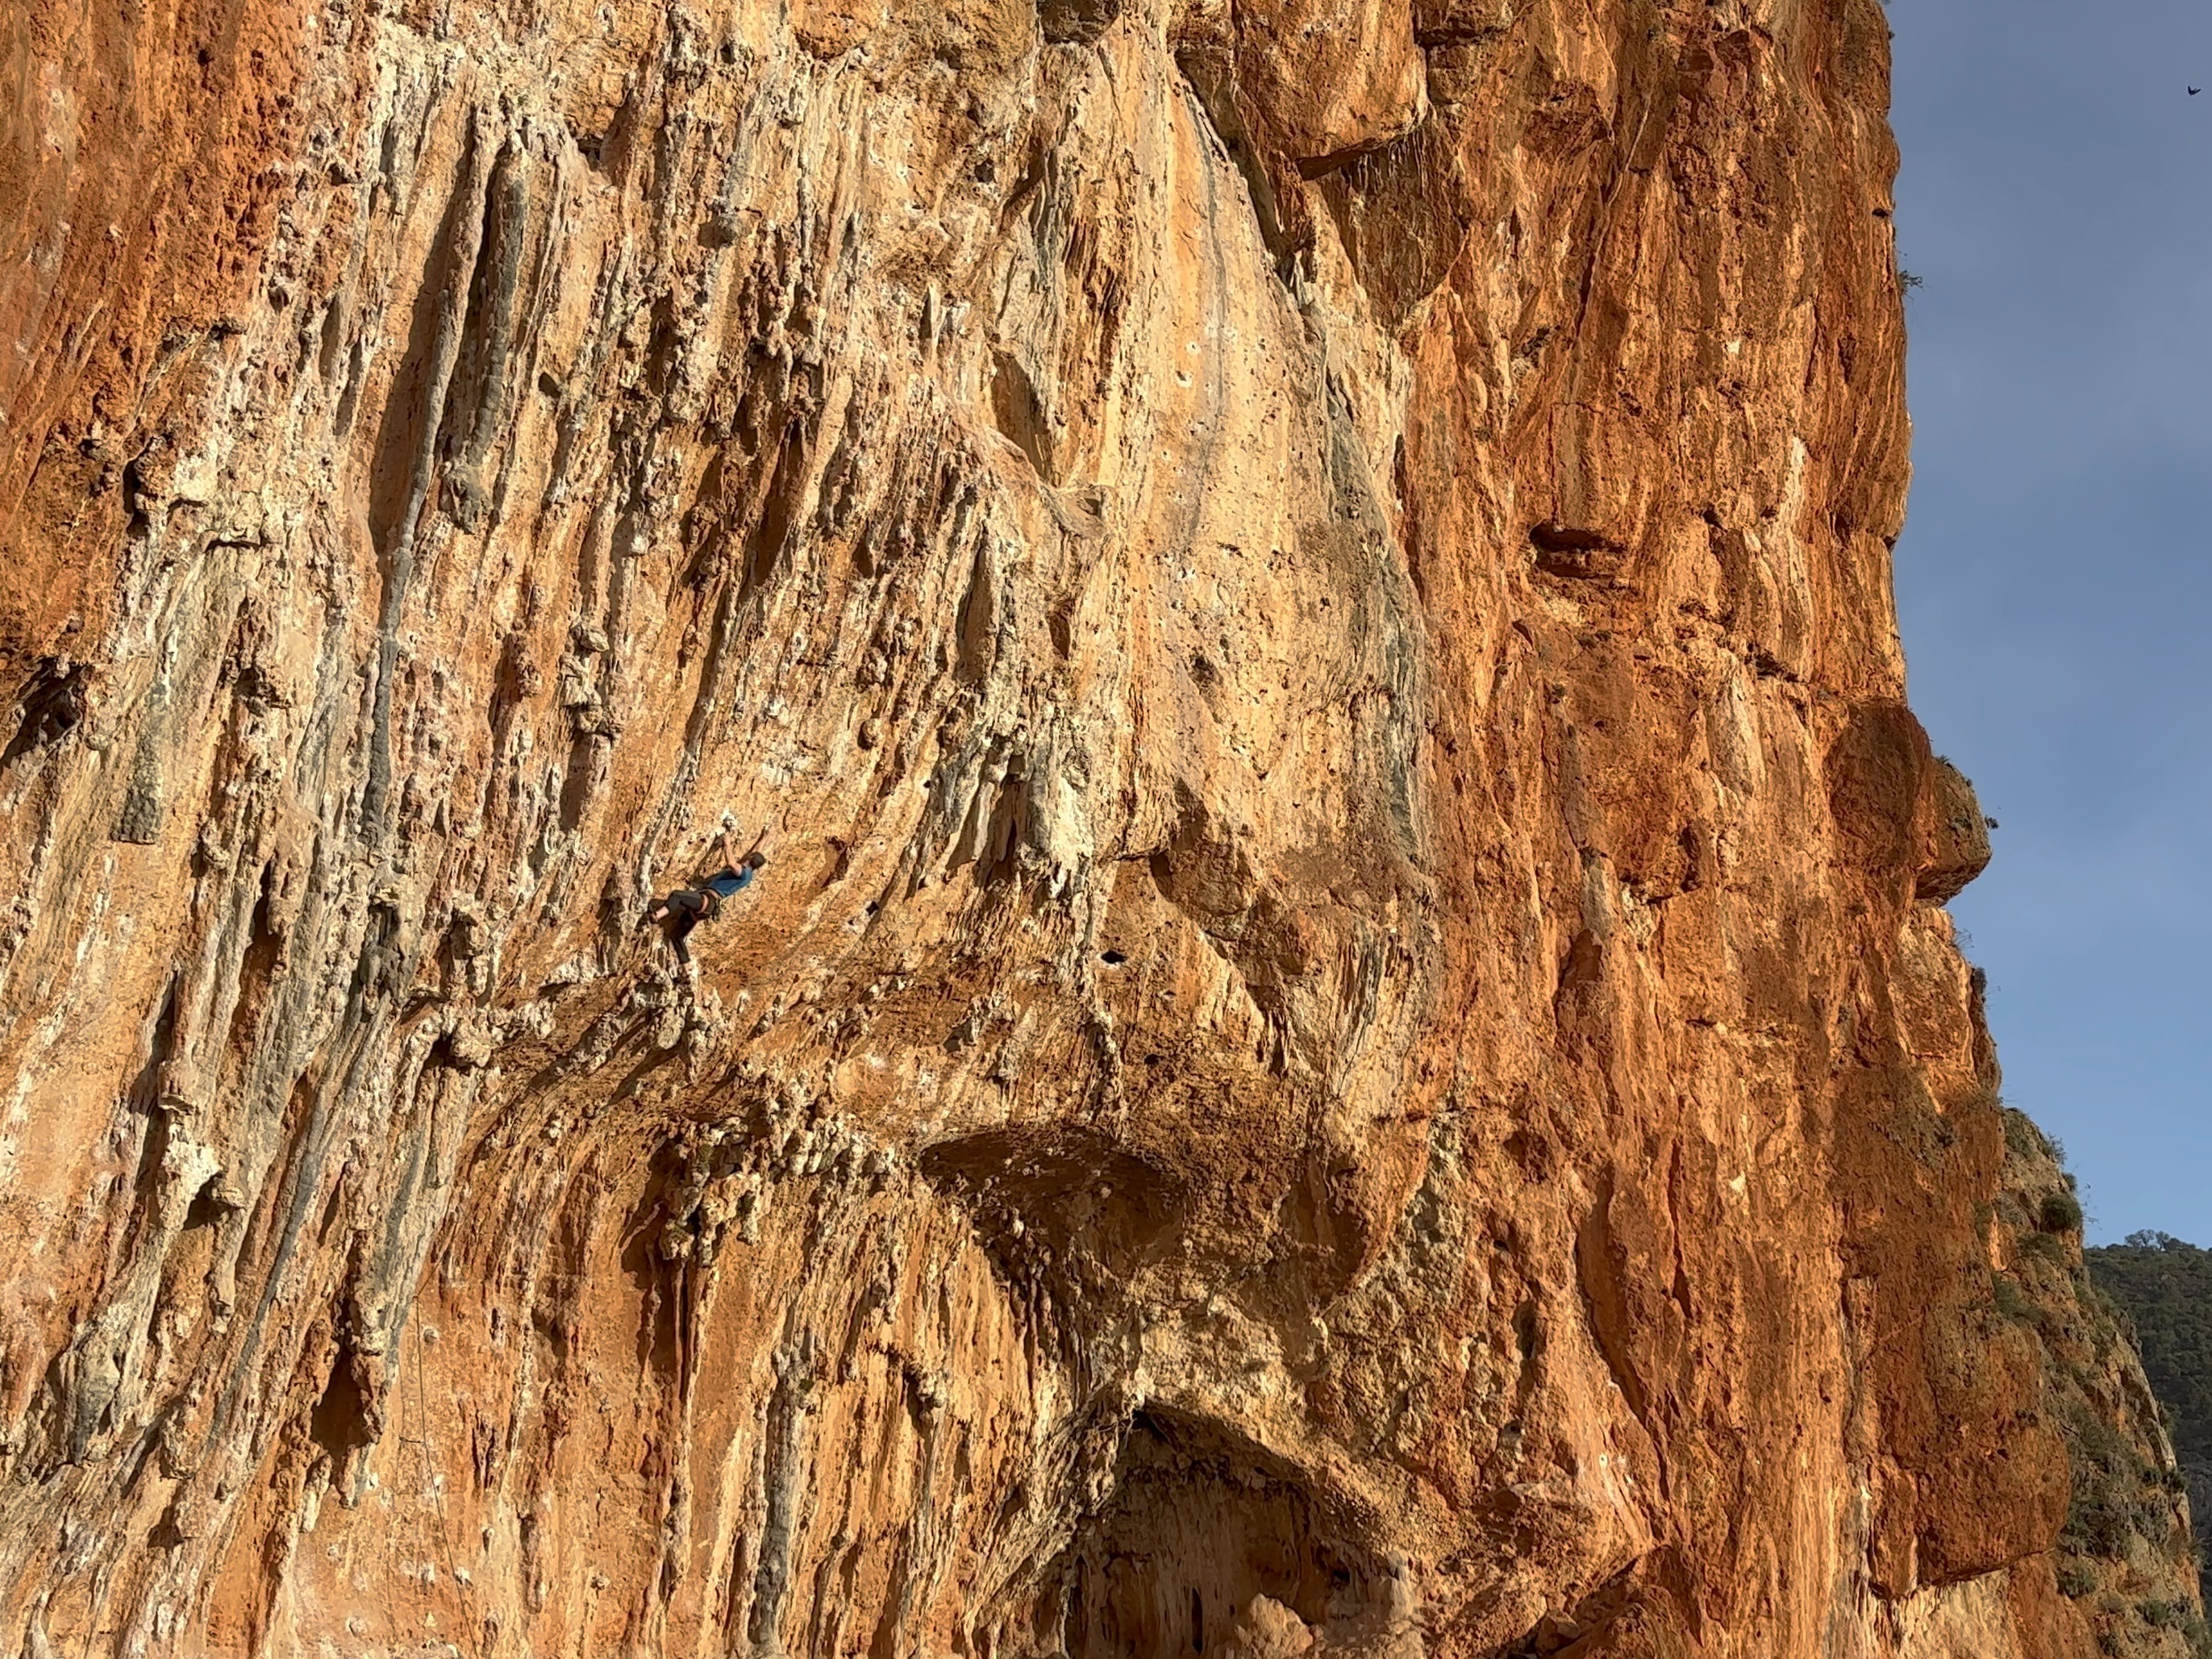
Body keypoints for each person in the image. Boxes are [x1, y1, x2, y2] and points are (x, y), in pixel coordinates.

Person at [650, 824, 768, 962]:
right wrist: (764, 837)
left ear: (750, 859)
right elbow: (756, 851)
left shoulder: (743, 873)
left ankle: (657, 915)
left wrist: (727, 843)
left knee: (678, 895)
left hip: (707, 899)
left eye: (749, 855)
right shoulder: (749, 875)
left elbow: (731, 862)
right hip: (708, 908)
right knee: (677, 938)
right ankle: (686, 974)